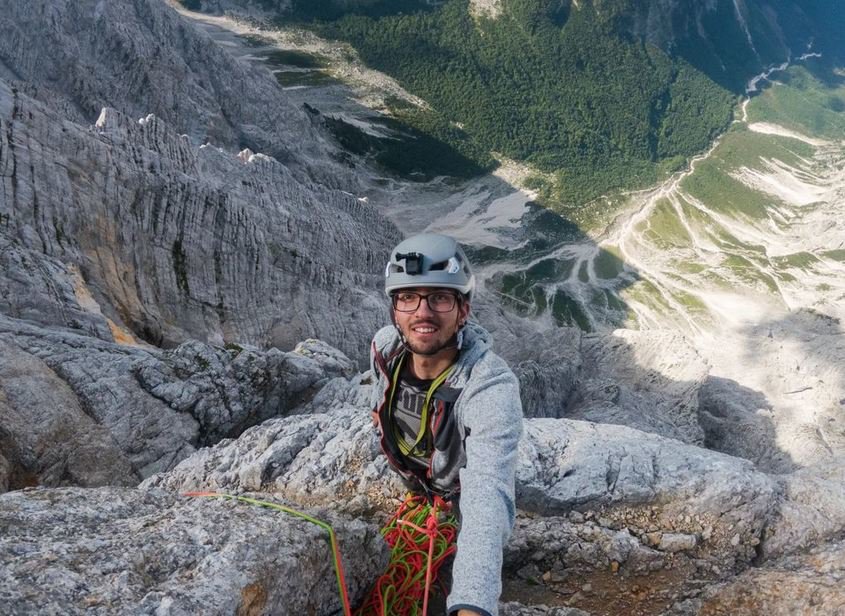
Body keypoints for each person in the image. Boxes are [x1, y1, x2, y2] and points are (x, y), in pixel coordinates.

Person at [369, 233, 524, 616]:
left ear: (463, 310)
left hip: (459, 501)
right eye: (408, 297)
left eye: (439, 297)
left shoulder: (489, 385)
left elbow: (488, 493)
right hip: (418, 489)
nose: (422, 312)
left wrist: (471, 604)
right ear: (394, 309)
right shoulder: (385, 349)